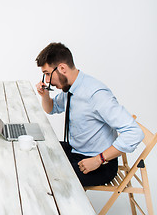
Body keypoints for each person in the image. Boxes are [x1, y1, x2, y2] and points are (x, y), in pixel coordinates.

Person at [35, 42, 144, 186]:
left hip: (99, 162)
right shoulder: (71, 87)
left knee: (49, 179)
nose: (47, 80)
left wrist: (99, 159)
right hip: (76, 150)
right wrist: (45, 95)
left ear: (62, 68)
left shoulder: (96, 94)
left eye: (47, 74)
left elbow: (135, 132)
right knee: (35, 152)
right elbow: (52, 108)